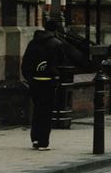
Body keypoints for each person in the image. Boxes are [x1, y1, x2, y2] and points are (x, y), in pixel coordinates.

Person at [20, 20, 85, 150]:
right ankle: (43, 141)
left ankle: (35, 139)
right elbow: (62, 63)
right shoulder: (56, 44)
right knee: (47, 112)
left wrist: (30, 79)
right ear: (55, 30)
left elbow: (25, 64)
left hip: (35, 81)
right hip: (49, 81)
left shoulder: (33, 43)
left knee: (37, 110)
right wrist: (56, 76)